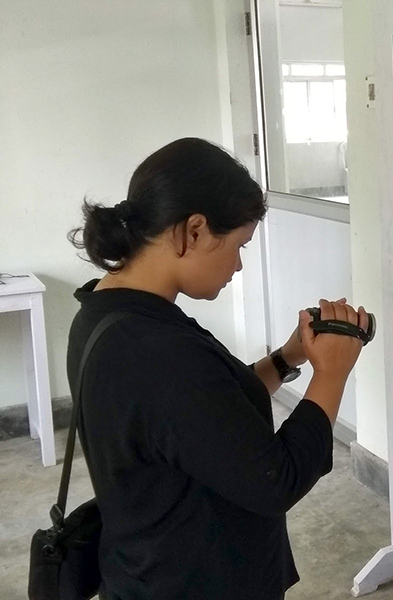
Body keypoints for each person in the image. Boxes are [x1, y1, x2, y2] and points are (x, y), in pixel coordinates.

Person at [66, 137, 369, 599]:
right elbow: (277, 479)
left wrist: (287, 358)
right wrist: (332, 374)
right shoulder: (156, 352)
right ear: (194, 231)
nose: (239, 265)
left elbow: (206, 419)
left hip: (151, 568)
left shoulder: (106, 314)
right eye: (238, 245)